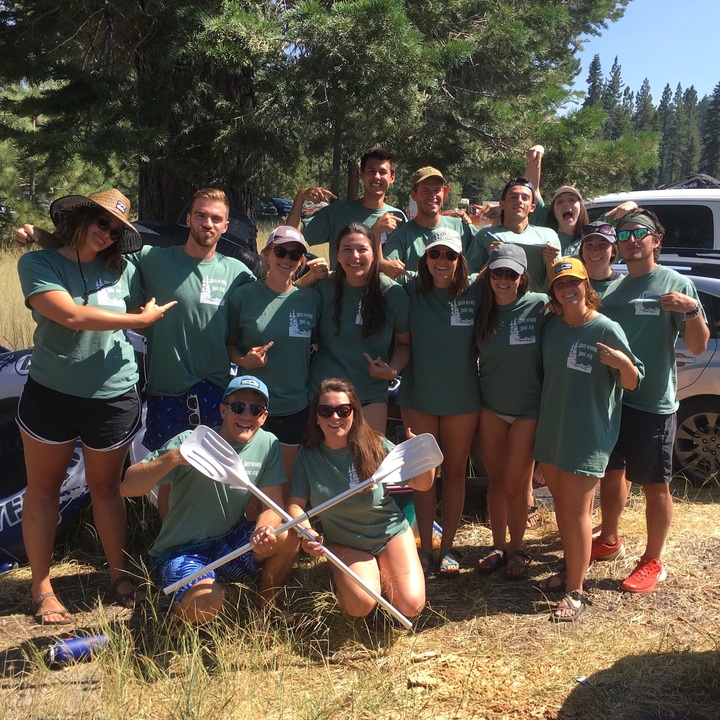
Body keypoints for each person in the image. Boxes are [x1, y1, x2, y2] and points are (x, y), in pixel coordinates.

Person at [16, 189, 176, 624]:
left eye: (115, 230)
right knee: (43, 489)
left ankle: (119, 574)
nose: (106, 234)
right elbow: (69, 314)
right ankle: (42, 587)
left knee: (107, 489)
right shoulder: (37, 264)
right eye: (101, 223)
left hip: (113, 394)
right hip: (52, 393)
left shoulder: (122, 269)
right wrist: (137, 322)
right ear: (83, 217)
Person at [593, 209, 709, 593]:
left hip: (652, 403)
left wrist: (691, 311)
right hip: (611, 400)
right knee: (612, 473)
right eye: (623, 234)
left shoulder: (675, 285)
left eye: (639, 232)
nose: (630, 239)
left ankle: (652, 561)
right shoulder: (613, 287)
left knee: (655, 485)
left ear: (656, 240)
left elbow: (697, 344)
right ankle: (609, 539)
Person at [121, 376, 298, 624]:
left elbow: (273, 506)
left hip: (228, 543)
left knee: (288, 533)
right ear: (223, 410)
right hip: (181, 552)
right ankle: (177, 612)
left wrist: (264, 529)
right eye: (238, 407)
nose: (246, 415)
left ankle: (266, 606)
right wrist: (175, 458)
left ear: (264, 417)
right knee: (206, 603)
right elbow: (129, 487)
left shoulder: (268, 444)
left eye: (255, 410)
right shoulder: (190, 442)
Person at [534, 257, 642, 621]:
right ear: (554, 291)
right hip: (552, 431)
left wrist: (622, 364)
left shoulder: (605, 328)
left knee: (579, 512)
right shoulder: (551, 327)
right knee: (563, 509)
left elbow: (633, 381)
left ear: (586, 286)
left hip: (588, 434)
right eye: (560, 284)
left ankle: (575, 592)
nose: (568, 289)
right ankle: (572, 570)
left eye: (574, 283)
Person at [287, 378, 434, 619]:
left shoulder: (375, 445)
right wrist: (306, 532)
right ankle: (355, 581)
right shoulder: (307, 455)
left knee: (411, 606)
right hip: (346, 543)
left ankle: (381, 577)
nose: (335, 417)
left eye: (343, 410)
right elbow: (295, 504)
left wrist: (422, 458)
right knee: (360, 605)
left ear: (354, 413)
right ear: (316, 417)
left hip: (390, 533)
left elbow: (422, 484)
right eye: (326, 411)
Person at [394, 227, 482, 577]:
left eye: (450, 255)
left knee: (456, 472)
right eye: (435, 254)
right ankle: (426, 549)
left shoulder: (476, 290)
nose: (442, 261)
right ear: (425, 258)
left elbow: (517, 281)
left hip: (463, 396)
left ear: (460, 260)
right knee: (424, 475)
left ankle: (449, 549)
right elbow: (375, 270)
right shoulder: (410, 289)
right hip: (420, 395)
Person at [475, 245, 549, 580]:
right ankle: (497, 546)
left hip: (528, 410)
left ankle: (517, 548)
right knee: (496, 480)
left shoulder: (540, 306)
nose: (503, 280)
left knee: (517, 484)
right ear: (489, 276)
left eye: (511, 274)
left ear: (522, 278)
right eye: (497, 273)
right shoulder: (481, 308)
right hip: (491, 406)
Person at [226, 226, 321, 481]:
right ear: (267, 253)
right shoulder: (243, 297)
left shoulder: (311, 299)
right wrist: (244, 360)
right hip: (250, 406)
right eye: (281, 251)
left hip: (294, 406)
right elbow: (230, 345)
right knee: (248, 485)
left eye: (295, 254)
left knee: (285, 485)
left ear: (302, 261)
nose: (287, 259)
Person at [309, 222, 411, 433]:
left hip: (370, 394)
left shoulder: (393, 294)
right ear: (337, 255)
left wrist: (392, 371)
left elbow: (404, 344)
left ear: (374, 254)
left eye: (362, 249)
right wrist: (308, 277)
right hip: (325, 393)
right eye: (347, 249)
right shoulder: (323, 286)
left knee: (369, 464)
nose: (354, 256)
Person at [286, 147, 407, 261]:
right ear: (361, 174)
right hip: (339, 284)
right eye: (371, 171)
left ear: (392, 177)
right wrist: (300, 198)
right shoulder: (337, 212)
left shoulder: (398, 217)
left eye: (382, 172)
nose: (376, 177)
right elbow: (291, 235)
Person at [380, 166, 479, 278]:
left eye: (437, 190)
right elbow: (386, 275)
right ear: (414, 195)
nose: (432, 196)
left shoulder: (461, 227)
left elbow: (492, 248)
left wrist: (500, 215)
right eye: (425, 191)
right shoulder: (402, 236)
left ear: (444, 193)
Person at [465, 178, 561, 292]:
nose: (519, 201)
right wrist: (492, 259)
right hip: (495, 307)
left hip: (538, 306)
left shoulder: (548, 236)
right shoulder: (485, 235)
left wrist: (551, 261)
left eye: (525, 198)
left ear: (532, 207)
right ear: (502, 204)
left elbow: (561, 281)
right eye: (513, 197)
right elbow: (469, 281)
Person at [578, 220, 622, 296]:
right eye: (589, 245)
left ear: (614, 251)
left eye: (602, 245)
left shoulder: (625, 285)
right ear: (582, 251)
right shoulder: (573, 286)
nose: (595, 251)